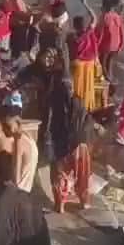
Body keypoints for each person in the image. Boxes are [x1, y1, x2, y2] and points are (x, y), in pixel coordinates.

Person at [47, 74, 92, 214]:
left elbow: (49, 126)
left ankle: (60, 204)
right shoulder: (80, 101)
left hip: (62, 145)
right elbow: (87, 122)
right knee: (83, 175)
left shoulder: (54, 103)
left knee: (59, 174)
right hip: (80, 146)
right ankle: (84, 202)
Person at [0, 103, 37, 193]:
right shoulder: (28, 137)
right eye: (2, 126)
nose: (4, 129)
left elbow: (16, 179)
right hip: (26, 190)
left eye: (7, 126)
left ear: (17, 122)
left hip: (18, 192)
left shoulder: (18, 142)